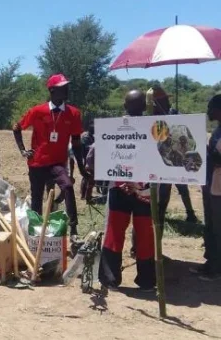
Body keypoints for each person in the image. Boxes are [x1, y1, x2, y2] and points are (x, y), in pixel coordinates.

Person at [13, 74, 86, 237]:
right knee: (37, 200)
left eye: (67, 86)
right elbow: (17, 128)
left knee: (67, 186)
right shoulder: (38, 111)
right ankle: (36, 235)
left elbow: (76, 143)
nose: (66, 89)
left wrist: (81, 169)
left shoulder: (73, 113)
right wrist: (23, 150)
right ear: (52, 90)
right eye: (62, 87)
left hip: (57, 164)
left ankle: (73, 228)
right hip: (37, 163)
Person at [97, 90, 155, 291]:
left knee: (114, 233)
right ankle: (147, 281)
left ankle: (110, 278)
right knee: (145, 235)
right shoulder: (155, 128)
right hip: (145, 191)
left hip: (119, 188)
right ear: (145, 107)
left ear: (124, 106)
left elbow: (97, 154)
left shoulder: (112, 128)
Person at [151, 86, 198, 223]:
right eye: (163, 100)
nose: (167, 102)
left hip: (177, 154)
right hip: (162, 156)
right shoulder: (153, 116)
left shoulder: (174, 112)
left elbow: (184, 130)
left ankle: (190, 213)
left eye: (166, 100)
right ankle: (160, 214)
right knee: (164, 188)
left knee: (182, 186)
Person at [195, 94, 221, 281]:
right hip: (212, 185)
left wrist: (210, 156)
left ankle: (216, 269)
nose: (208, 111)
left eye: (211, 108)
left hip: (219, 188)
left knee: (218, 228)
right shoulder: (218, 129)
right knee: (210, 226)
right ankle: (211, 262)